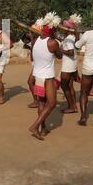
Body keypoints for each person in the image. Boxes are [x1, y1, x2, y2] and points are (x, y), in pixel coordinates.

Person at [28, 13, 62, 141]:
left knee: (42, 103)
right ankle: (35, 126)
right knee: (52, 103)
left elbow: (33, 56)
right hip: (47, 77)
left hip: (37, 76)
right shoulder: (53, 43)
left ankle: (43, 128)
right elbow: (59, 56)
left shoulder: (36, 40)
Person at [59, 16, 81, 114]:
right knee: (70, 86)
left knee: (64, 85)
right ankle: (73, 106)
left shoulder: (68, 39)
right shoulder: (72, 37)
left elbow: (71, 52)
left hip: (68, 66)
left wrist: (61, 50)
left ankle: (71, 106)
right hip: (72, 64)